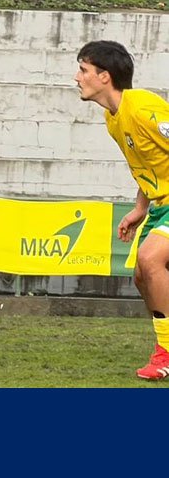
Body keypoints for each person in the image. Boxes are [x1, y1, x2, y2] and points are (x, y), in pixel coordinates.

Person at [76, 40, 169, 380]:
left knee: (150, 259)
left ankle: (166, 353)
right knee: (142, 276)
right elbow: (147, 165)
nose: (77, 77)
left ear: (104, 76)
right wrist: (140, 208)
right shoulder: (112, 120)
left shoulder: (142, 107)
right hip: (160, 204)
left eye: (83, 70)